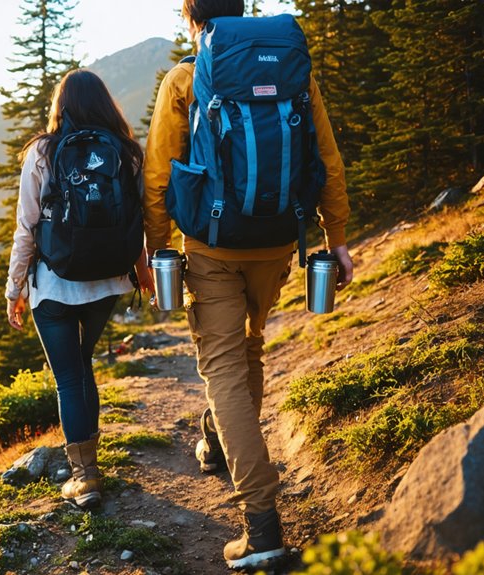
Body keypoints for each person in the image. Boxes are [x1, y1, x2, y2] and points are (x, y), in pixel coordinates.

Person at [144, 0, 354, 569]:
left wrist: (156, 244)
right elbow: (327, 158)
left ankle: (261, 523)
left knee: (223, 370)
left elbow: (160, 170)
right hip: (278, 241)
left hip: (211, 246)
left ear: (193, 19)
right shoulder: (293, 72)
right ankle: (218, 441)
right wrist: (335, 236)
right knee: (249, 348)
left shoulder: (186, 79)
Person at [5, 68, 154, 508]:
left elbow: (26, 228)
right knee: (81, 366)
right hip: (107, 281)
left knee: (68, 377)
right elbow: (139, 219)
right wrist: (142, 271)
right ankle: (89, 460)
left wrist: (15, 289)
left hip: (55, 286)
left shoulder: (41, 152)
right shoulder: (127, 153)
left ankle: (84, 477)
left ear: (61, 107)